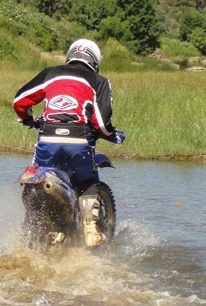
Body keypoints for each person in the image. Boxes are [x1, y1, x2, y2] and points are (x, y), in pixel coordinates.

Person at [13, 38, 125, 245]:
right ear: (95, 60)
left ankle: (39, 228)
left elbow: (19, 101)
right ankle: (91, 227)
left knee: (36, 175)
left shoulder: (50, 74)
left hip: (47, 139)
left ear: (70, 56)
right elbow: (101, 121)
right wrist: (110, 134)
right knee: (88, 181)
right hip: (79, 140)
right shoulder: (99, 81)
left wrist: (29, 119)